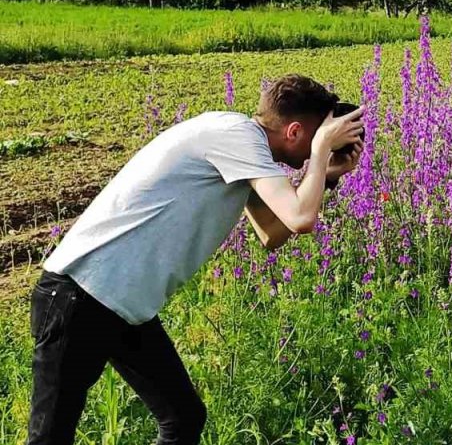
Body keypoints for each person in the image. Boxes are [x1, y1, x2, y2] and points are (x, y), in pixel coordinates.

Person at [26, 74, 365, 445]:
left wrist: (325, 175)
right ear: (295, 131)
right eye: (317, 138)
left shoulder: (242, 146)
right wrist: (321, 152)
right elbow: (300, 219)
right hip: (80, 295)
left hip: (122, 305)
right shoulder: (238, 137)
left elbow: (272, 232)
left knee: (183, 418)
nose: (317, 150)